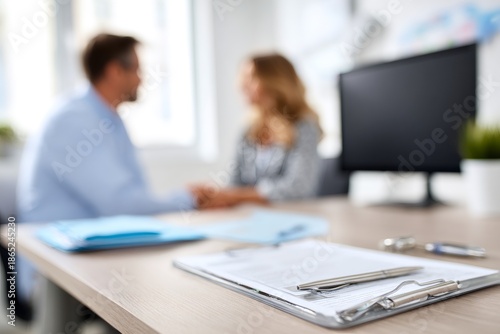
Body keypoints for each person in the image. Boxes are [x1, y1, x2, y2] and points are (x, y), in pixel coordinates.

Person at [15, 33, 216, 332]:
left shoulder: (105, 117)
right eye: (136, 69)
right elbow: (120, 202)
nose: (142, 78)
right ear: (113, 71)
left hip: (99, 258)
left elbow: (130, 198)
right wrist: (188, 198)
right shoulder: (77, 120)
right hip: (57, 275)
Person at [217, 54, 323, 205]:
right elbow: (234, 184)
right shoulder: (248, 132)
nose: (242, 85)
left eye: (251, 78)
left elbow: (298, 189)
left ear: (275, 83)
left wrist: (236, 197)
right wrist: (215, 195)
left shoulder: (304, 128)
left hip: (293, 215)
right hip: (252, 217)